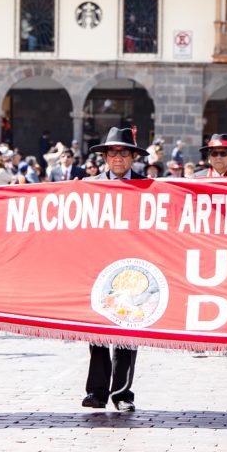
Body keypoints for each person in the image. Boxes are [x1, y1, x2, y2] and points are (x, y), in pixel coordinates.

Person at [81, 127, 149, 412]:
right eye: (112, 152)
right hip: (99, 265)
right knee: (97, 332)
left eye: (123, 152)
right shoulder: (89, 186)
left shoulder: (149, 188)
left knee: (127, 331)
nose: (117, 157)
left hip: (133, 267)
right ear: (105, 156)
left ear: (133, 156)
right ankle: (96, 391)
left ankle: (122, 393)